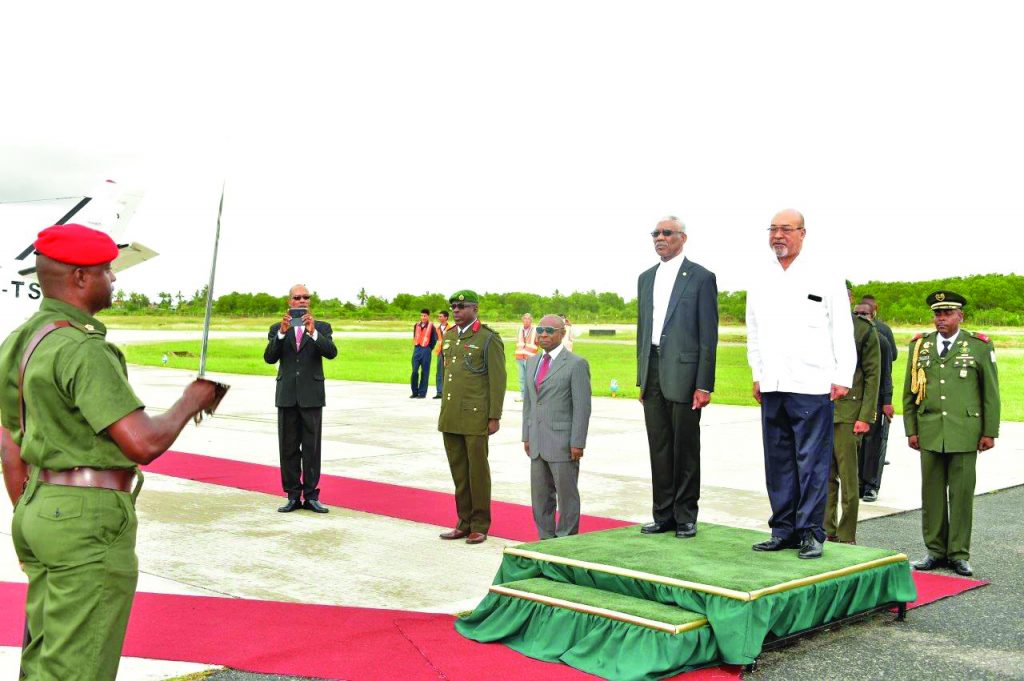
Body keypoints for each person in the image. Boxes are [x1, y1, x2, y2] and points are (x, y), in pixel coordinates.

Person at [0, 224, 218, 680]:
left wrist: (35, 511)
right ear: (80, 278)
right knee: (79, 666)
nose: (113, 280)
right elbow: (142, 442)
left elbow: (9, 439)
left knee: (44, 658)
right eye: (106, 271)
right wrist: (190, 401)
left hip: (39, 507)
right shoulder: (82, 349)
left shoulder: (21, 340)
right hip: (86, 518)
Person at [747, 209, 856, 559]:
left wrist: (843, 376)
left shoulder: (824, 275)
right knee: (778, 460)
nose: (778, 236)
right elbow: (754, 331)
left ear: (802, 233)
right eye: (773, 230)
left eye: (786, 230)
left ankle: (811, 531)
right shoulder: (760, 276)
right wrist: (757, 373)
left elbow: (842, 328)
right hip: (774, 383)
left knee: (811, 462)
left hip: (812, 382)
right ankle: (784, 530)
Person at [903, 290, 999, 577]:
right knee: (931, 495)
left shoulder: (979, 346)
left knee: (961, 495)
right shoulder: (920, 346)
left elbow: (990, 393)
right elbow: (910, 391)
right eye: (937, 314)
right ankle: (934, 551)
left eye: (946, 314)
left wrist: (989, 431)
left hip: (965, 432)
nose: (940, 319)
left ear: (960, 316)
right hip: (930, 430)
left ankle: (958, 554)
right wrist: (911, 429)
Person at [636, 216, 718, 539]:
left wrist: (704, 383)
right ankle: (663, 513)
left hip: (685, 373)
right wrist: (642, 377)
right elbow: (644, 330)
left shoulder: (700, 277)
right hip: (653, 369)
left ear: (682, 238)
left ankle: (685, 515)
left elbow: (708, 335)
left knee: (685, 446)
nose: (660, 237)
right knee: (658, 445)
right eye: (655, 233)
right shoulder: (645, 278)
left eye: (666, 233)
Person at [437, 290, 506, 544]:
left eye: (461, 307)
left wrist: (494, 415)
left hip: (475, 416)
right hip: (451, 415)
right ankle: (463, 522)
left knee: (477, 472)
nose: (456, 310)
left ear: (474, 309)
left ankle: (479, 524)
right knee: (459, 472)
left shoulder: (488, 339)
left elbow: (498, 381)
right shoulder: (450, 335)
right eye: (454, 307)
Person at [264, 284, 338, 513]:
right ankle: (293, 495)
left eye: (306, 297)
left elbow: (331, 352)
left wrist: (313, 332)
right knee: (288, 448)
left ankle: (312, 495)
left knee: (311, 449)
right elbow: (269, 357)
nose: (302, 301)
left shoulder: (322, 327)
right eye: (297, 297)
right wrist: (282, 333)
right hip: (286, 395)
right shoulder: (277, 327)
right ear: (290, 302)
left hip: (311, 396)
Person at [523, 315, 592, 539]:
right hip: (537, 441)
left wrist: (577, 442)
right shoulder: (532, 362)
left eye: (549, 330)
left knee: (567, 497)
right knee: (540, 497)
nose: (543, 334)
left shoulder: (576, 364)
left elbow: (582, 408)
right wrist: (526, 435)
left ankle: (565, 543)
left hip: (563, 443)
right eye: (540, 330)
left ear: (562, 333)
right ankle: (545, 541)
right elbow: (529, 403)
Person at [824, 284, 881, 544]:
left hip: (849, 411)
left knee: (848, 478)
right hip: (821, 410)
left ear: (849, 298)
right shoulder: (818, 326)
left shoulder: (863, 330)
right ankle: (826, 530)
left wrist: (865, 416)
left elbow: (872, 376)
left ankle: (847, 534)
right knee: (824, 476)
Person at [858, 294, 897, 502]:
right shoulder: (849, 334)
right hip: (854, 397)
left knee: (874, 442)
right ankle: (857, 483)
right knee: (854, 444)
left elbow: (887, 370)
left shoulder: (882, 336)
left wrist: (887, 401)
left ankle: (871, 485)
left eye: (864, 314)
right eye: (857, 314)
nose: (860, 316)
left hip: (876, 397)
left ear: (873, 315)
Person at [410, 308, 439, 398]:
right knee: (414, 371)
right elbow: (415, 335)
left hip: (426, 349)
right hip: (417, 349)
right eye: (422, 315)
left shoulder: (432, 326)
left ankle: (422, 393)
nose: (423, 317)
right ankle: (415, 392)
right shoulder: (416, 325)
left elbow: (434, 339)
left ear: (428, 316)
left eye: (425, 316)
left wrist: (429, 348)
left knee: (425, 372)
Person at [513, 313, 539, 402]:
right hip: (520, 357)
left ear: (531, 320)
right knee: (522, 378)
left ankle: (532, 396)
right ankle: (523, 396)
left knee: (531, 378)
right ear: (522, 320)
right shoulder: (519, 329)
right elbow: (518, 342)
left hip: (530, 358)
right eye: (525, 318)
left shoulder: (535, 330)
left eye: (528, 319)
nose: (526, 320)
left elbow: (538, 342)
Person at [434, 310, 452, 399]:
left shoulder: (452, 328)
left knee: (447, 372)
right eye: (439, 316)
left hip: (448, 353)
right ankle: (439, 392)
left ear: (446, 317)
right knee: (439, 372)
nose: (439, 318)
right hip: (440, 352)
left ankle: (447, 391)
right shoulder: (437, 329)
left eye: (441, 316)